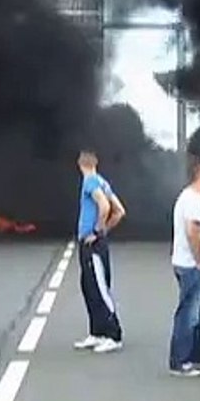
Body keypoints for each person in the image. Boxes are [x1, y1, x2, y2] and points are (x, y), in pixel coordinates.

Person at [168, 159, 200, 377]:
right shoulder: (191, 200)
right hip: (192, 265)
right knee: (189, 313)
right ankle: (179, 360)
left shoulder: (195, 199)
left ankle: (198, 356)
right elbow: (193, 232)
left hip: (197, 265)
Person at [73, 150, 127, 354]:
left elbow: (104, 207)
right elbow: (119, 211)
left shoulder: (90, 182)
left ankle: (114, 334)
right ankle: (97, 332)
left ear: (80, 164)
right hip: (94, 242)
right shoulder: (103, 182)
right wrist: (105, 230)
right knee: (89, 287)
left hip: (92, 243)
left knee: (99, 289)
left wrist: (96, 231)